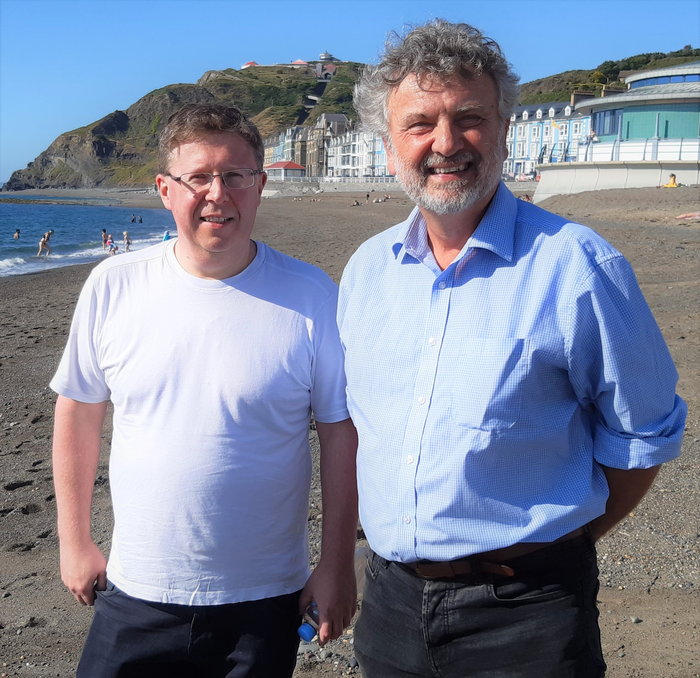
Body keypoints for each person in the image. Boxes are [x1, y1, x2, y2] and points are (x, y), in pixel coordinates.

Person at [338, 20, 686, 678]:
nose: (446, 142)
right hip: (388, 605)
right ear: (390, 147)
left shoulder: (577, 265)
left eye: (469, 118)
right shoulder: (365, 272)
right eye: (420, 124)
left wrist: (558, 546)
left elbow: (644, 437)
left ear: (502, 130)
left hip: (525, 615)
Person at [50, 103, 358, 678]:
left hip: (264, 597)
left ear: (260, 186)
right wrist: (74, 540)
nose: (218, 194)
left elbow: (341, 434)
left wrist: (336, 564)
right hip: (135, 586)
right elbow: (78, 411)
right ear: (166, 190)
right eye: (199, 177)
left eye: (235, 176)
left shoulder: (312, 296)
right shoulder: (113, 286)